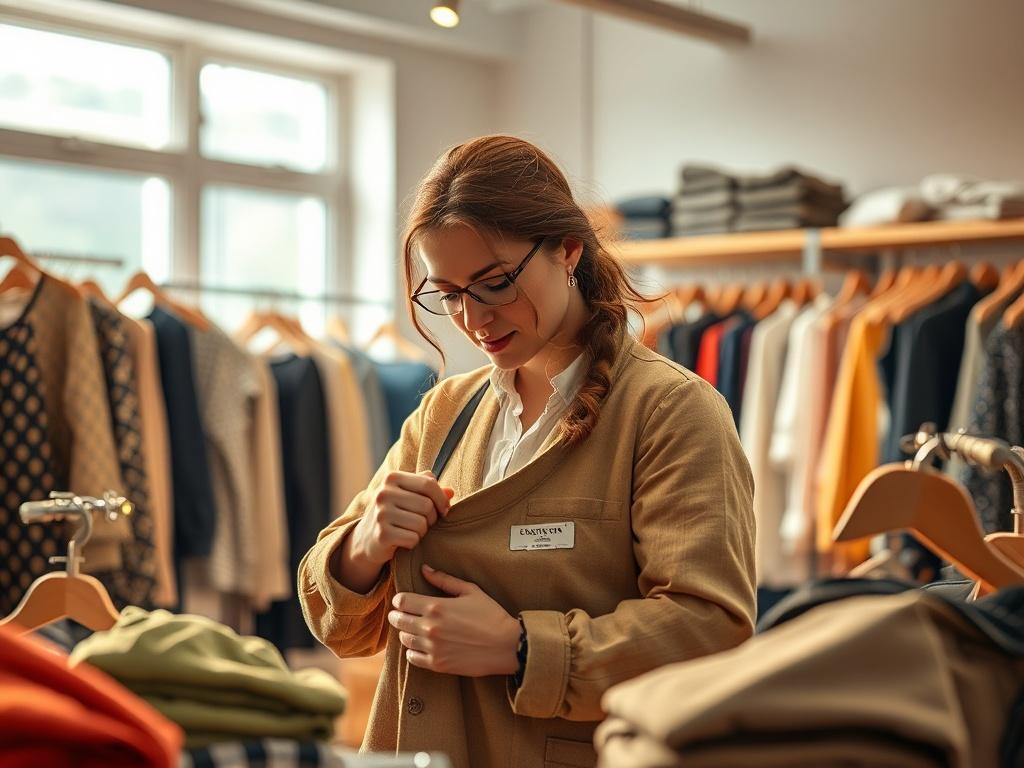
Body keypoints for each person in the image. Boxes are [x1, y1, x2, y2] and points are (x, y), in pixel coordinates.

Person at [298, 135, 755, 768]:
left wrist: (521, 649)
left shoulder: (670, 411)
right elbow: (338, 624)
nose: (474, 318)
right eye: (449, 293)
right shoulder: (445, 412)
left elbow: (710, 628)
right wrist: (362, 546)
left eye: (495, 283)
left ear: (568, 249)